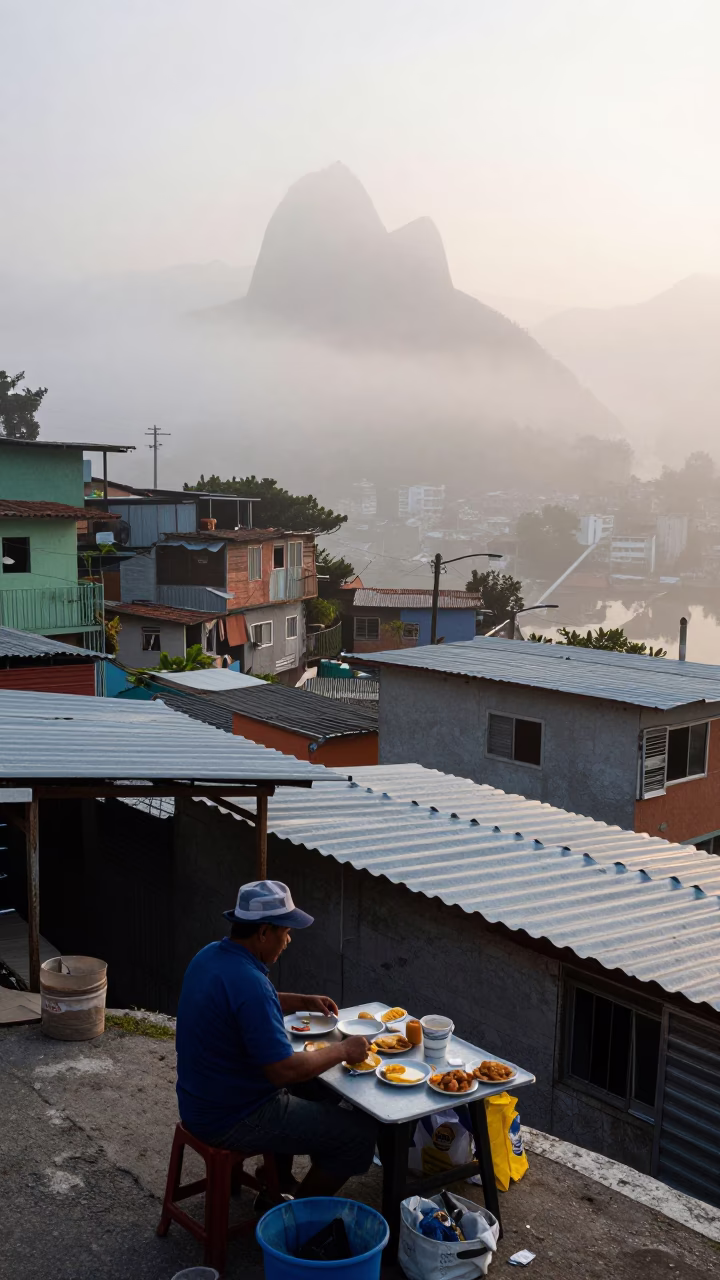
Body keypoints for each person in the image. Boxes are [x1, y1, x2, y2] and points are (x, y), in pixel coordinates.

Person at [176, 878, 377, 1202]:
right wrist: (343, 1050)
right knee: (357, 1136)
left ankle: (278, 1180)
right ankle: (293, 1218)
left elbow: (249, 1002)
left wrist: (304, 1000)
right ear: (264, 932)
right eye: (285, 931)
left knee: (315, 1089)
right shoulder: (250, 982)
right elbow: (282, 1071)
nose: (288, 940)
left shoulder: (211, 956)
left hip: (198, 1100)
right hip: (233, 1117)